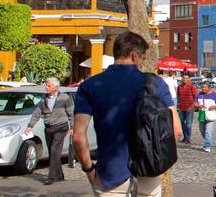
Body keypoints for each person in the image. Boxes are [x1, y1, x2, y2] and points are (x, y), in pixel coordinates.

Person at [72, 33, 180, 197]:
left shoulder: (90, 86)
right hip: (148, 171)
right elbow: (176, 131)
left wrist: (89, 169)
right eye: (143, 58)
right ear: (135, 55)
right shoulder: (156, 84)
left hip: (110, 173)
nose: (142, 63)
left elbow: (78, 137)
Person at [25, 77, 74, 185]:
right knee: (54, 153)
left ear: (56, 87)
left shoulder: (64, 98)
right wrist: (30, 126)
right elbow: (37, 113)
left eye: (49, 86)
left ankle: (51, 177)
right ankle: (60, 175)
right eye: (46, 86)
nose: (46, 88)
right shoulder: (44, 99)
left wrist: (72, 127)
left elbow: (71, 113)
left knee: (54, 150)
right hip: (48, 128)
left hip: (61, 127)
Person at [196, 81, 216, 152]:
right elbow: (195, 103)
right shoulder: (199, 94)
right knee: (202, 130)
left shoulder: (214, 95)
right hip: (202, 115)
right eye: (202, 87)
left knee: (208, 131)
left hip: (210, 115)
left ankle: (207, 146)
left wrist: (214, 106)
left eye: (205, 87)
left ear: (209, 88)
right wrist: (198, 105)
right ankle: (206, 142)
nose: (203, 89)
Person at [175, 73, 198, 144]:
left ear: (189, 79)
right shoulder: (179, 87)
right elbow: (178, 96)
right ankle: (185, 137)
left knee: (188, 124)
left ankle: (188, 138)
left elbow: (196, 97)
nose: (185, 79)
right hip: (182, 108)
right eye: (184, 78)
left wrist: (192, 106)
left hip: (190, 108)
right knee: (181, 122)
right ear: (182, 78)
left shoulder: (192, 86)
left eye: (186, 78)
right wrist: (178, 105)